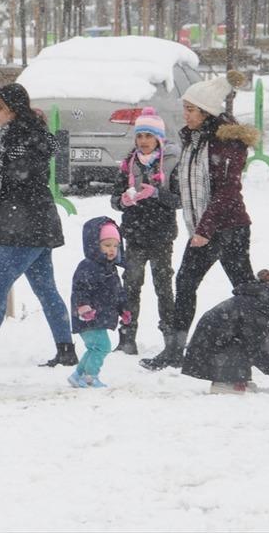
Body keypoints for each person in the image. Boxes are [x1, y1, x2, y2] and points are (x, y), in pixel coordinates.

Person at [141, 70, 259, 371]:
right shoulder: (194, 140)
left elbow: (227, 191)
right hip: (204, 228)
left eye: (191, 109)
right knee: (186, 282)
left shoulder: (226, 143)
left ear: (207, 112)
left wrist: (205, 229)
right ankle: (175, 349)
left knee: (244, 288)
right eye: (185, 108)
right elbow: (190, 184)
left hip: (228, 227)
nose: (185, 114)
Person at [0, 83, 77, 369]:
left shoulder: (24, 138)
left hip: (26, 226)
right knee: (45, 288)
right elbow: (6, 185)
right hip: (33, 223)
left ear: (13, 110)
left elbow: (18, 181)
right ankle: (66, 349)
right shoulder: (18, 135)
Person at [109, 106, 179, 356]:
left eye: (149, 136)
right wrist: (123, 201)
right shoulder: (129, 163)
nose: (144, 141)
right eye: (140, 136)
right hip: (135, 234)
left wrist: (158, 193)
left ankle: (170, 337)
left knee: (163, 287)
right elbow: (114, 198)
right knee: (131, 286)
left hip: (161, 235)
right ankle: (127, 336)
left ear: (158, 138)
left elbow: (179, 200)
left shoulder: (170, 163)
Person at [182, 270, 269, 394]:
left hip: (212, 346)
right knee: (256, 344)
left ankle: (234, 378)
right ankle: (226, 381)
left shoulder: (262, 304)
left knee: (266, 342)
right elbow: (253, 349)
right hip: (210, 349)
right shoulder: (257, 309)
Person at [68, 217, 129, 389]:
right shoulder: (88, 266)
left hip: (100, 316)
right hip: (88, 316)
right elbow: (80, 289)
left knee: (95, 347)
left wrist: (123, 309)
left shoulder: (110, 268)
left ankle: (77, 375)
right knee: (102, 346)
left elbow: (118, 291)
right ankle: (91, 377)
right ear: (96, 244)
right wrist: (83, 307)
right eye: (107, 245)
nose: (112, 250)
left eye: (115, 246)